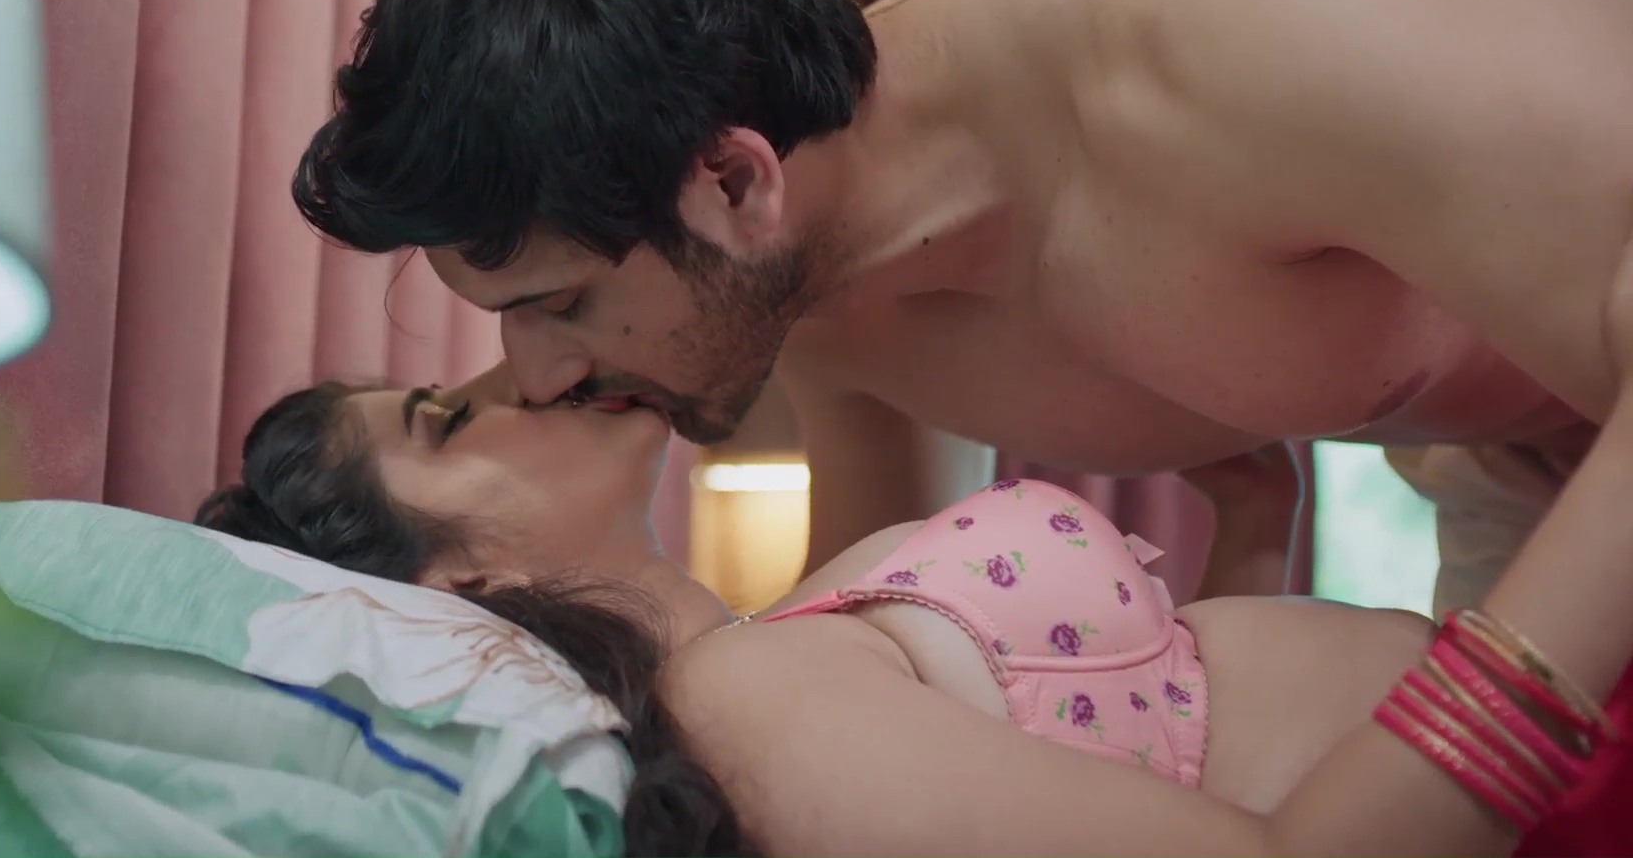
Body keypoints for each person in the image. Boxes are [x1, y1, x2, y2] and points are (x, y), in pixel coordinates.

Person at [290, 0, 1633, 611]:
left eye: (558, 305)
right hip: (1521, 462)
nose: (533, 378)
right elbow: (853, 643)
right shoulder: (814, 295)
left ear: (734, 181)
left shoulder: (1214, 24)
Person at [197, 361, 1633, 858]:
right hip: (1552, 782)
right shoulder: (743, 711)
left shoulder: (767, 657)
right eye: (446, 420)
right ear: (458, 585)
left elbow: (1162, 763)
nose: (516, 372)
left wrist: (1256, 530)